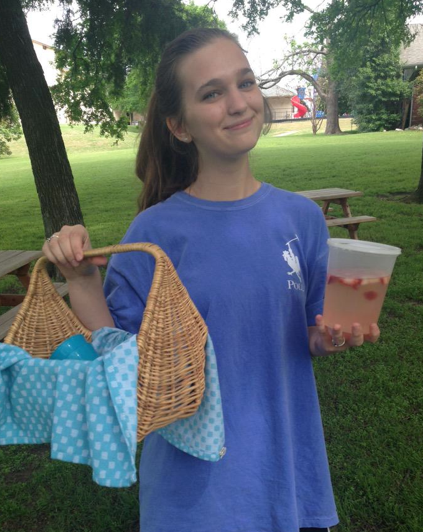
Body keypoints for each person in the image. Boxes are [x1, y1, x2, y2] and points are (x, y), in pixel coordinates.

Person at [43, 27, 380, 532]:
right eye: (212, 93)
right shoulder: (154, 233)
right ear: (180, 126)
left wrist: (335, 334)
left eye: (245, 83)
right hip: (192, 498)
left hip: (286, 473)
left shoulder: (301, 219)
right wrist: (82, 281)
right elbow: (118, 361)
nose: (239, 103)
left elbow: (310, 335)